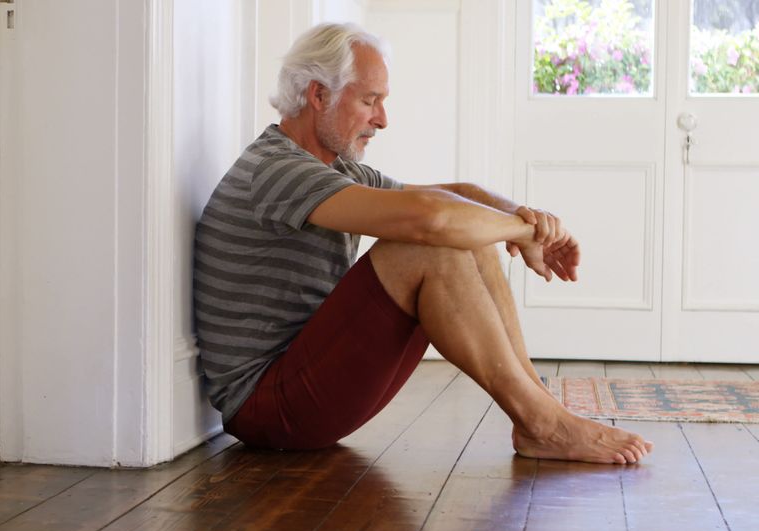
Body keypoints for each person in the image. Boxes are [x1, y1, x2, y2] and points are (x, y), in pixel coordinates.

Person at [193, 22, 654, 464]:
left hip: (304, 386)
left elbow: (453, 199)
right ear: (319, 94)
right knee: (424, 242)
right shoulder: (277, 170)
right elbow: (431, 220)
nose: (383, 119)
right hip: (267, 407)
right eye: (370, 100)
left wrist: (527, 218)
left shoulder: (336, 170)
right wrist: (520, 232)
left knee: (461, 233)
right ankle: (541, 421)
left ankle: (541, 413)